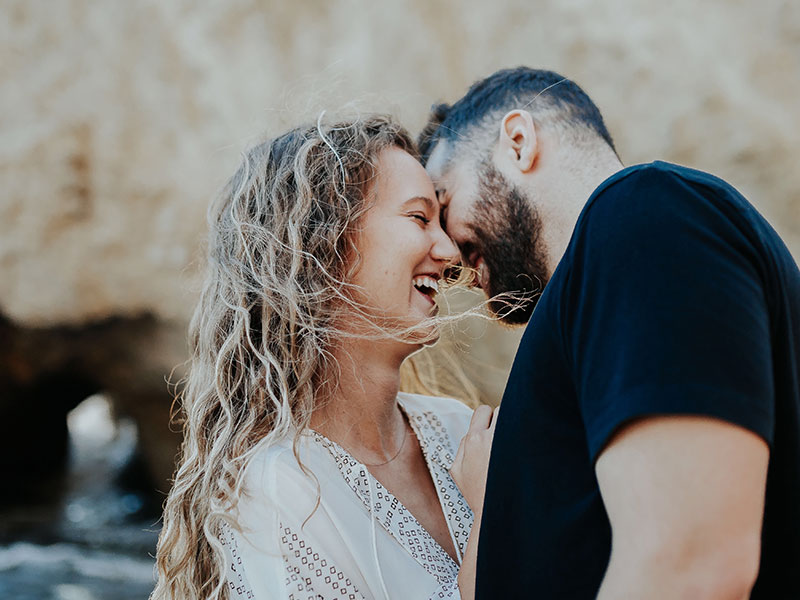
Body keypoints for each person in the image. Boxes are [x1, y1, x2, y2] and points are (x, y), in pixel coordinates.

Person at [419, 67, 800, 599]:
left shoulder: (642, 215)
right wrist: (501, 507)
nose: (448, 255)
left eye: (443, 200)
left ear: (518, 141)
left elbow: (688, 566)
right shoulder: (602, 277)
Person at [151, 115, 496, 600]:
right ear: (324, 246)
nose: (449, 252)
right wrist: (490, 524)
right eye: (419, 218)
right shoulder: (278, 492)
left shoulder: (461, 433)